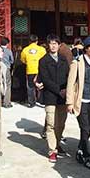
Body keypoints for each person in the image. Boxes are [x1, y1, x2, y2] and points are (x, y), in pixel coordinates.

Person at [66, 35, 90, 170]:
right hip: (80, 100)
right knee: (85, 127)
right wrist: (69, 102)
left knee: (88, 127)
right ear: (86, 48)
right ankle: (86, 155)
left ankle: (80, 151)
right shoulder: (77, 63)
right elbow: (71, 83)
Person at [38, 34, 70, 163]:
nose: (53, 46)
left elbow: (69, 75)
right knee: (51, 124)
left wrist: (66, 90)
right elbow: (45, 79)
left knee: (60, 124)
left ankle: (57, 144)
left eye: (55, 43)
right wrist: (59, 90)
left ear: (59, 45)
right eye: (51, 43)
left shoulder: (63, 59)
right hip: (50, 95)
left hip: (63, 96)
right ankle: (52, 150)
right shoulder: (43, 60)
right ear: (48, 45)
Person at [20, 35, 46, 107]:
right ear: (37, 41)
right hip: (39, 70)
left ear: (29, 42)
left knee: (30, 87)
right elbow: (45, 59)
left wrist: (28, 62)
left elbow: (22, 60)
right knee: (41, 86)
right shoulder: (42, 49)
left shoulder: (25, 50)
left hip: (30, 70)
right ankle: (41, 100)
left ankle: (32, 102)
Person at [0, 38, 14, 108]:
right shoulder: (8, 51)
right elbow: (12, 60)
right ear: (7, 44)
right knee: (7, 84)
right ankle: (6, 102)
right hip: (6, 68)